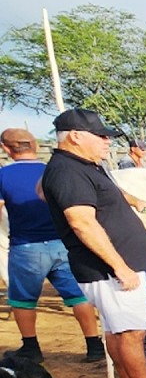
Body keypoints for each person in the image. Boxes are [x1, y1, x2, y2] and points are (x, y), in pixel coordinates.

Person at [40, 108, 146, 378]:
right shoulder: (67, 171)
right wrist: (119, 266)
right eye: (101, 136)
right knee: (131, 333)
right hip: (110, 268)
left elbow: (50, 192)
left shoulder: (81, 165)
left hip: (112, 266)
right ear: (76, 136)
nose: (107, 141)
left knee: (117, 330)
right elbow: (81, 222)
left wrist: (134, 201)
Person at [0, 128, 106, 364]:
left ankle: (31, 347)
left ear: (6, 148)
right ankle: (93, 344)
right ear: (35, 145)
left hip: (26, 246)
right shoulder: (52, 171)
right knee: (78, 296)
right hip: (62, 244)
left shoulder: (3, 176)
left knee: (22, 299)